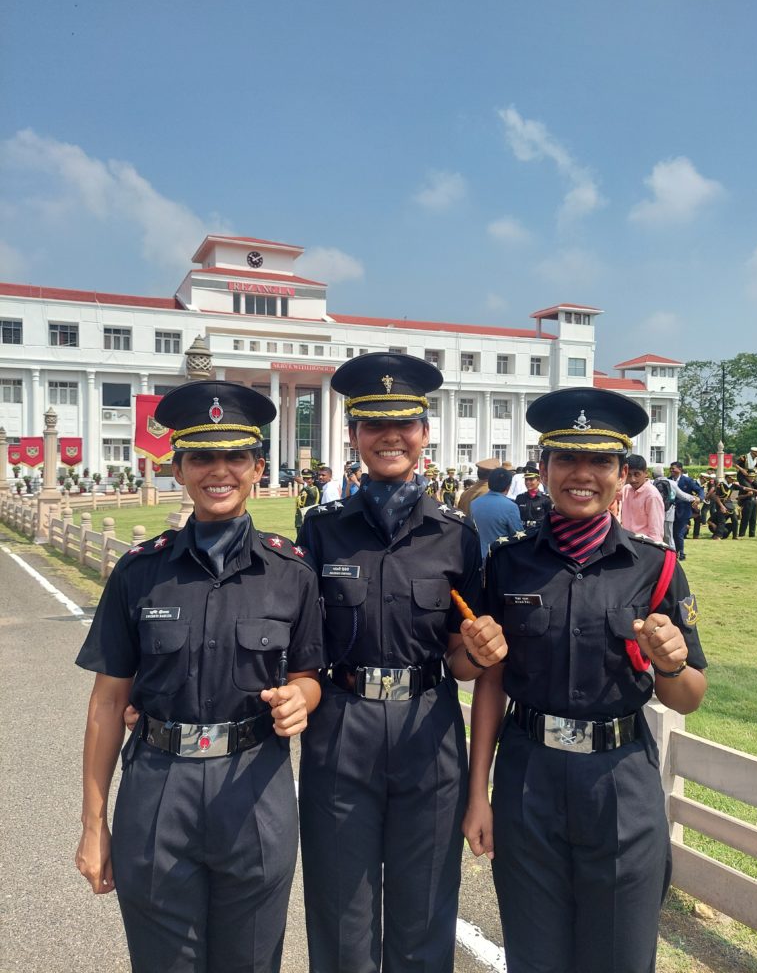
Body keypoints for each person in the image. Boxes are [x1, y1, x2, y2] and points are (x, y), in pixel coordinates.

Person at [75, 381, 325, 973]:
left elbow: (310, 673)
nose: (219, 471)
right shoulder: (140, 573)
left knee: (252, 960)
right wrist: (93, 825)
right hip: (159, 784)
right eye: (201, 457)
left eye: (235, 456)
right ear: (178, 469)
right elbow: (107, 706)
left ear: (258, 467)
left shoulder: (291, 573)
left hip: (255, 783)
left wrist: (301, 698)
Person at [463, 387, 707, 973]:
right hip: (529, 779)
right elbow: (491, 682)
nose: (582, 474)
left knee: (620, 957)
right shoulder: (508, 562)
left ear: (622, 474)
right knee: (534, 955)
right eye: (566, 459)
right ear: (542, 468)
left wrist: (671, 663)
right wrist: (479, 793)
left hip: (620, 781)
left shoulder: (657, 566)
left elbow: (689, 694)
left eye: (600, 461)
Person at [296, 352, 508, 973]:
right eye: (372, 423)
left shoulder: (457, 535)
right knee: (342, 915)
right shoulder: (320, 530)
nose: (390, 435)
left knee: (423, 918)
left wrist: (474, 651)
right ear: (355, 433)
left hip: (428, 729)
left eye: (405, 423)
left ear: (424, 431)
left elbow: (463, 660)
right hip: (341, 726)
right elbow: (295, 636)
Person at [471, 466, 524, 559]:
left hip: (480, 557)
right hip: (501, 558)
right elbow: (518, 535)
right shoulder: (511, 506)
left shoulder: (474, 503)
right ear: (508, 485)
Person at [621, 453, 665, 541]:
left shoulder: (652, 495)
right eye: (629, 475)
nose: (632, 479)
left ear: (646, 473)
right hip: (627, 541)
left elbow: (656, 531)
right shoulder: (626, 489)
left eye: (637, 474)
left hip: (644, 545)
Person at [669, 461, 703, 559]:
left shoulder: (687, 480)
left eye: (673, 468)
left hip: (683, 511)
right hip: (670, 511)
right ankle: (673, 553)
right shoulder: (668, 480)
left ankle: (681, 553)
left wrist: (699, 498)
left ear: (680, 469)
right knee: (671, 532)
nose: (671, 470)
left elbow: (699, 490)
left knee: (679, 533)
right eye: (670, 469)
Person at [295, 467, 321, 531]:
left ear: (313, 480)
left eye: (308, 478)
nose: (305, 480)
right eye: (304, 478)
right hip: (300, 520)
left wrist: (304, 484)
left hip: (308, 519)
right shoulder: (304, 489)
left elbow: (312, 494)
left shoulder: (314, 489)